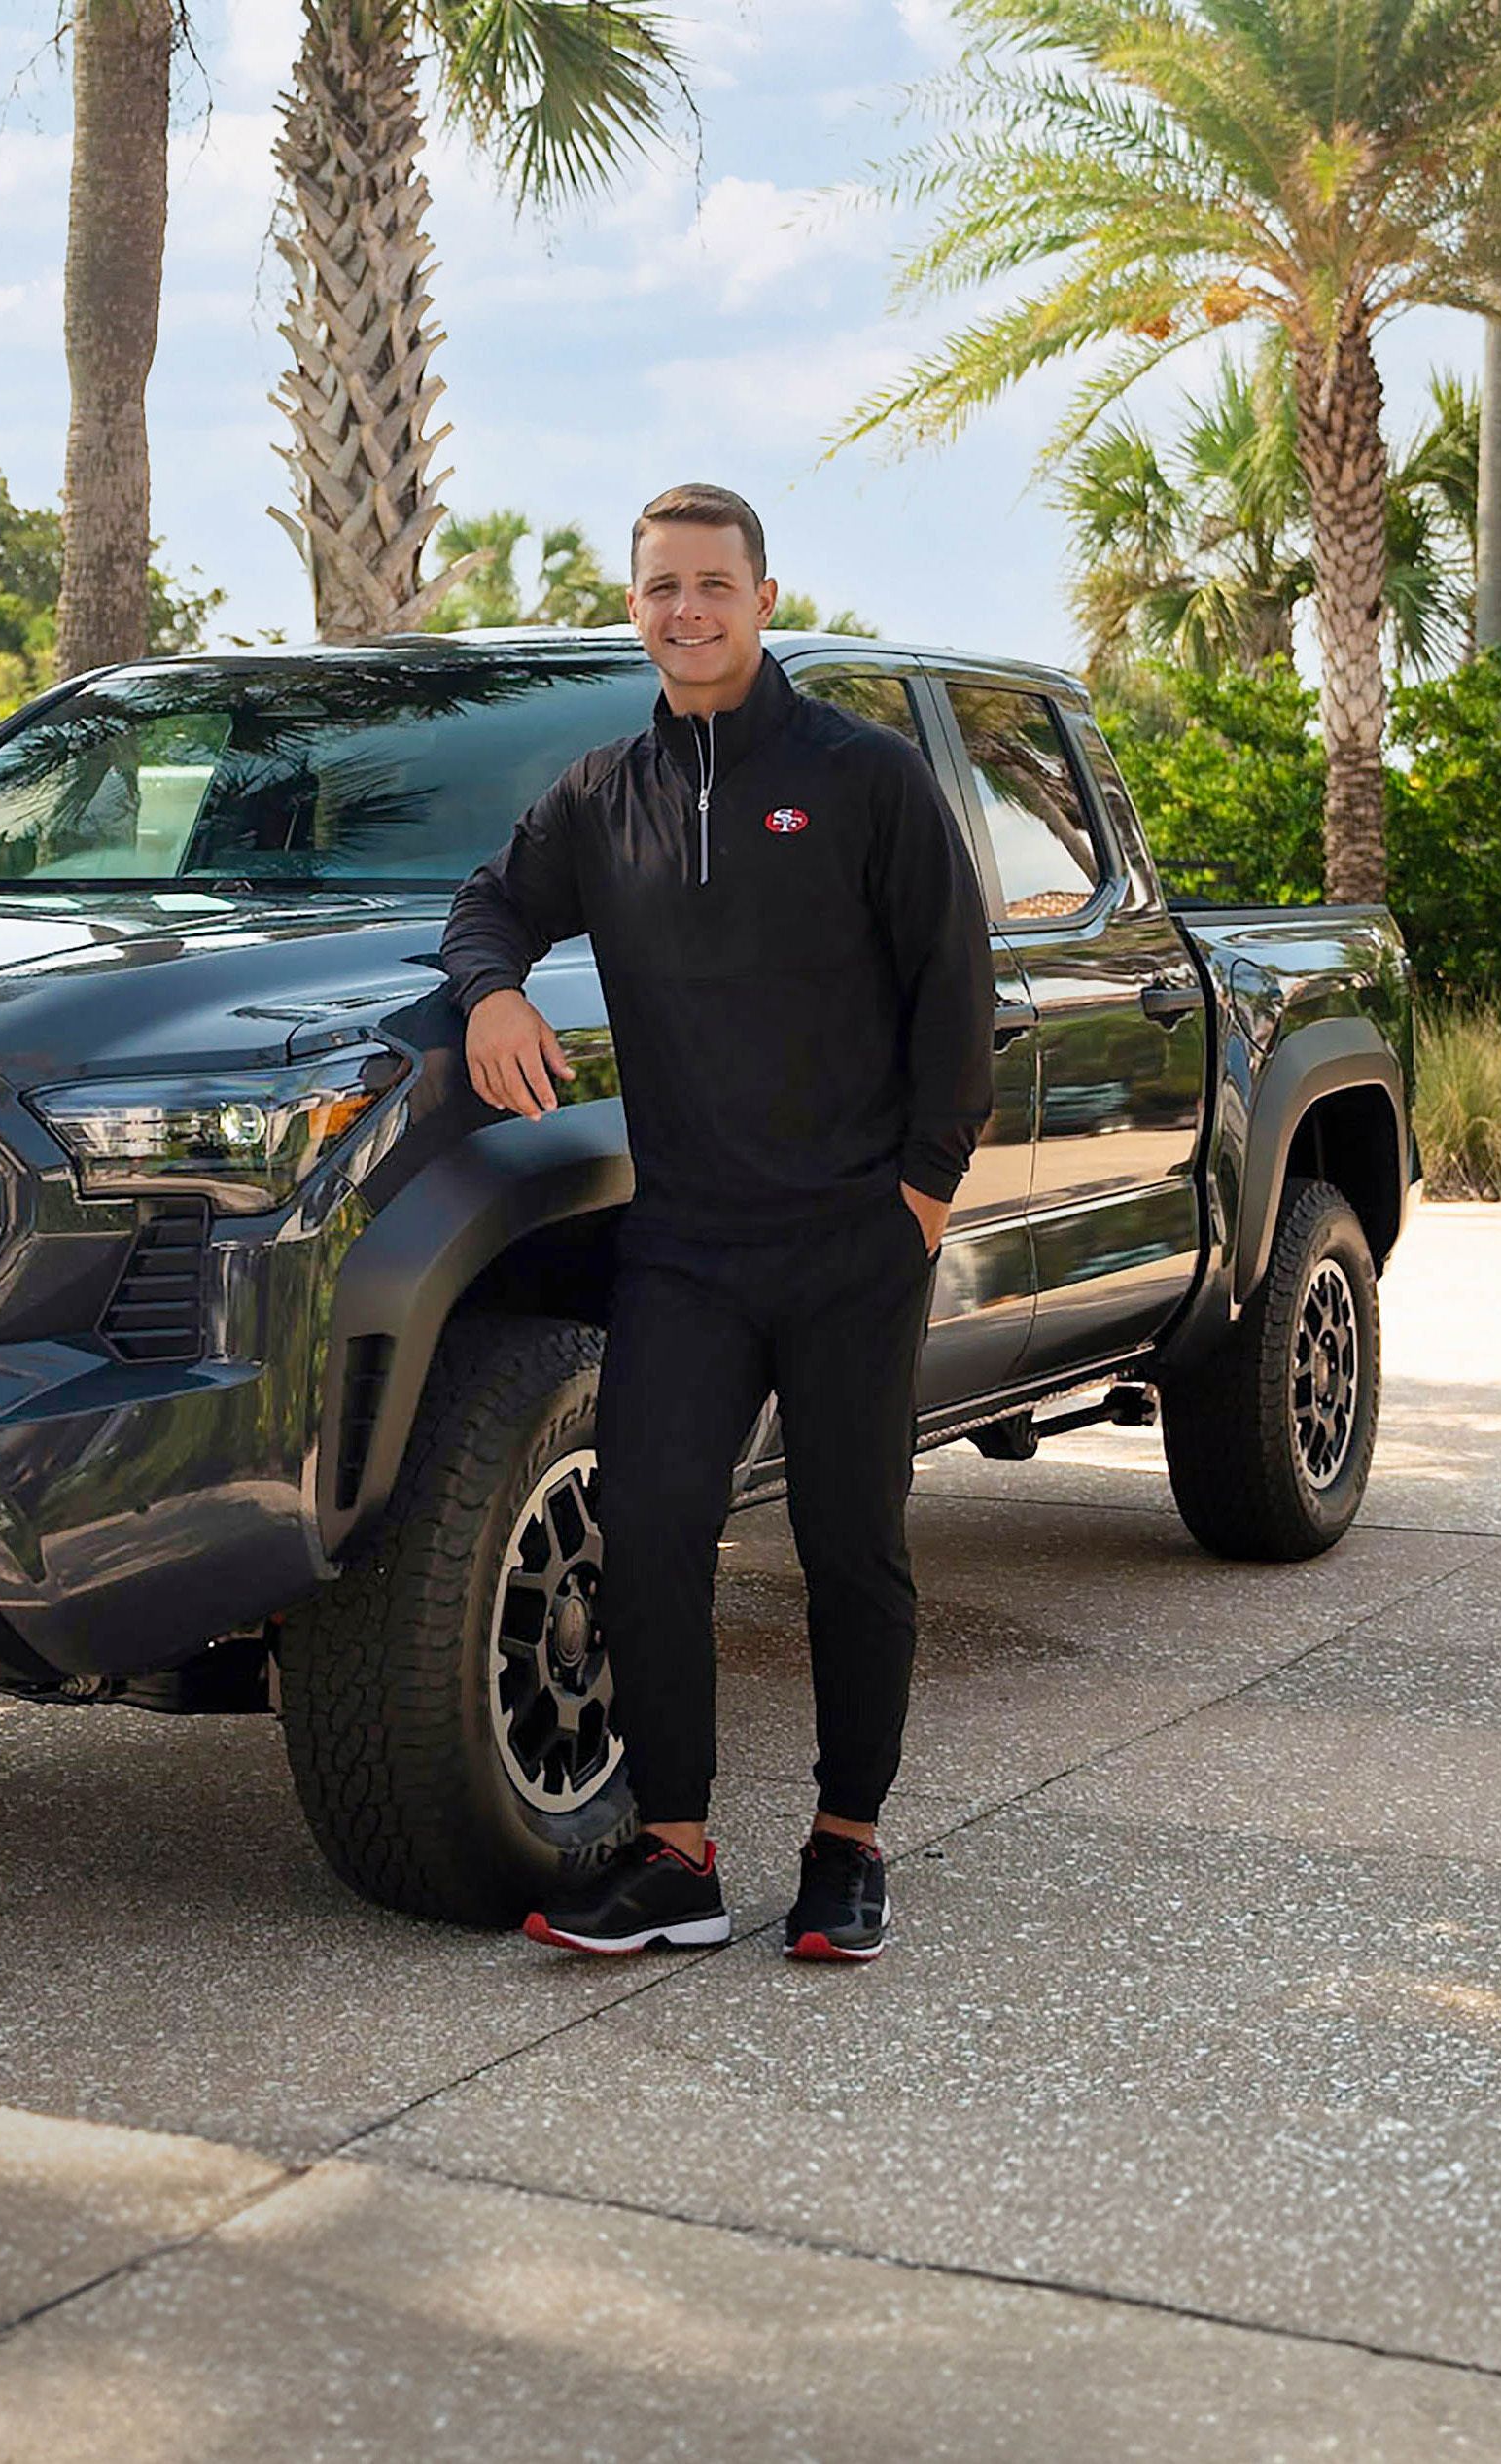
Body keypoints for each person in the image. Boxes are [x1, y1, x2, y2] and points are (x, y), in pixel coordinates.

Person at [435, 481, 995, 1966]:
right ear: (635, 607)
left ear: (760, 595)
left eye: (711, 583)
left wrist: (919, 1191)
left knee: (848, 1541)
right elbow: (486, 908)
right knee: (651, 1524)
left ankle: (848, 1841)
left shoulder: (859, 774)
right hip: (684, 1241)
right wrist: (491, 990)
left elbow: (955, 989)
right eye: (658, 588)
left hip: (848, 1240)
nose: (684, 610)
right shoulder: (601, 792)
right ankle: (675, 1851)